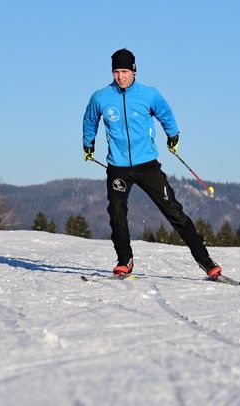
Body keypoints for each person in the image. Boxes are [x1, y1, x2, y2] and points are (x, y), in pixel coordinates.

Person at [82, 48, 222, 280]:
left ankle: (206, 261)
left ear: (134, 71)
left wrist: (173, 135)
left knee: (174, 212)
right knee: (116, 212)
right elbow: (89, 119)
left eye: (125, 71)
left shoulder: (149, 95)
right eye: (116, 71)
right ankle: (124, 259)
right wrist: (88, 143)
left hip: (147, 165)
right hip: (118, 166)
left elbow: (165, 113)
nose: (120, 76)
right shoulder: (101, 97)